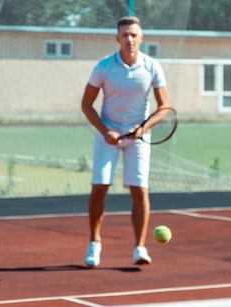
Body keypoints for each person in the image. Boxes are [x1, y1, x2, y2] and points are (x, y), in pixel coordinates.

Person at [81, 16, 169, 268]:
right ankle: (94, 243)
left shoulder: (152, 66)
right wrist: (105, 131)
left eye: (133, 34)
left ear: (141, 38)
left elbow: (164, 107)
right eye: (124, 35)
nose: (129, 39)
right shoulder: (104, 67)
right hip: (107, 135)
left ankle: (139, 248)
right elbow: (86, 104)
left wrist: (142, 128)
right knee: (100, 186)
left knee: (139, 190)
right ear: (117, 38)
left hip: (138, 137)